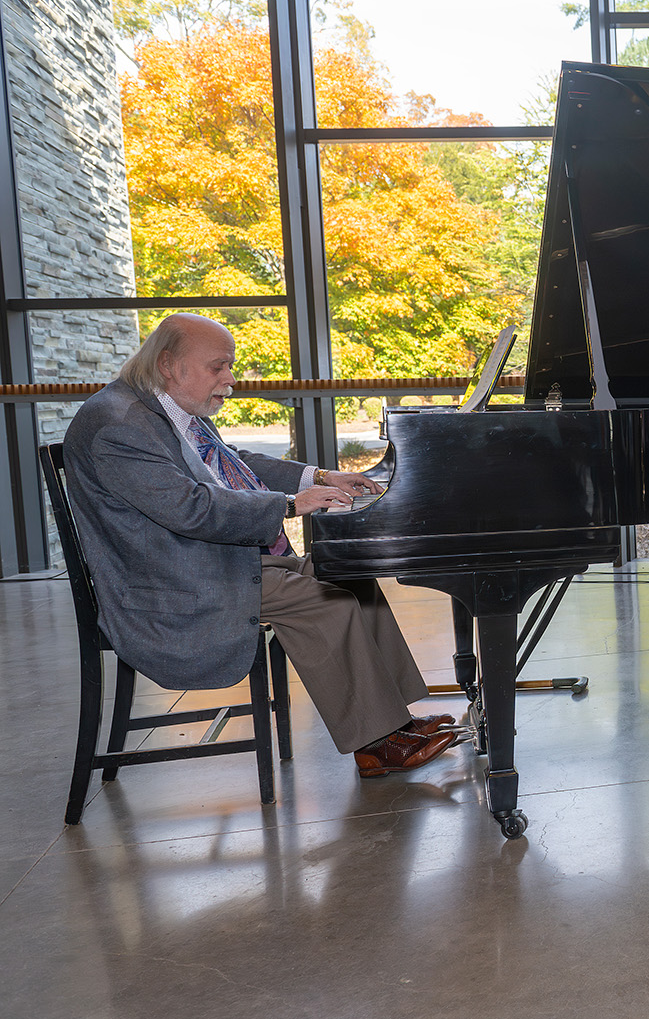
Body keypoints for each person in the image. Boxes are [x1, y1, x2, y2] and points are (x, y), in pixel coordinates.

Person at [63, 314, 459, 779]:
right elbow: (190, 507)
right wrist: (291, 504)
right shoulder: (120, 424)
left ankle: (394, 719)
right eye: (218, 368)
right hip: (175, 586)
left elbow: (234, 462)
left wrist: (320, 477)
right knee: (324, 602)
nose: (230, 381)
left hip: (214, 563)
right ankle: (375, 744)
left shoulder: (163, 407)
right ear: (169, 363)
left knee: (350, 571)